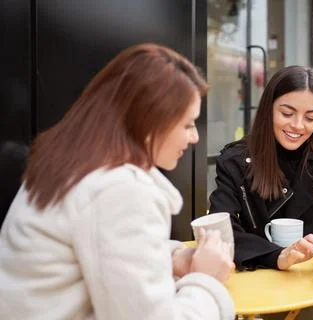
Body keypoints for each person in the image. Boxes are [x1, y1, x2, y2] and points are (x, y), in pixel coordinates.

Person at [0, 43, 235, 320]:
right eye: (187, 124)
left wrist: (171, 260)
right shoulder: (121, 191)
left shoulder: (71, 164)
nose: (194, 137)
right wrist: (206, 280)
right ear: (148, 120)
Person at [209, 65, 313, 319]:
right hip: (261, 286)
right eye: (287, 113)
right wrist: (277, 256)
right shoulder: (235, 161)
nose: (298, 126)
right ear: (269, 109)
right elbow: (223, 229)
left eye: (310, 117)